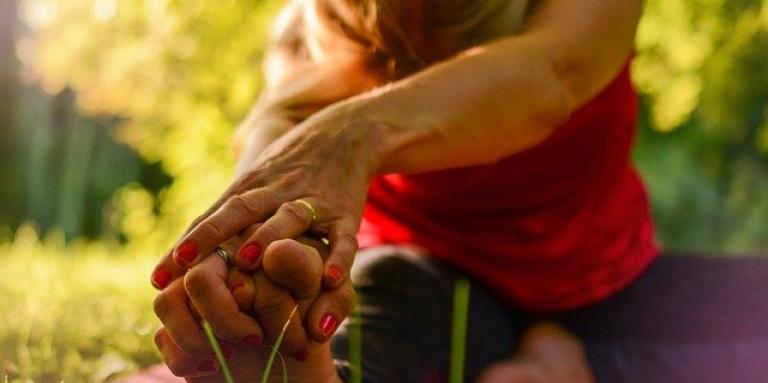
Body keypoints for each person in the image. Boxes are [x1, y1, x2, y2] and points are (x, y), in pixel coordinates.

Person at [146, 0, 768, 382]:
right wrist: (245, 262)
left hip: (610, 281)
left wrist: (349, 134)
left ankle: (578, 367)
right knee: (384, 315)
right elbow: (271, 145)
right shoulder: (310, 34)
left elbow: (551, 76)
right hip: (431, 274)